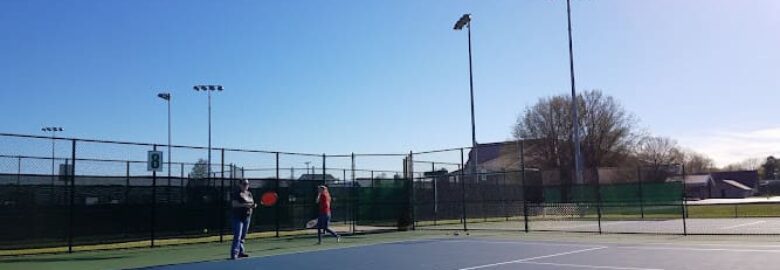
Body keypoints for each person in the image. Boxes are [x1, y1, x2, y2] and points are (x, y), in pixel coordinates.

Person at [230, 179, 256, 259]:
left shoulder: (249, 194)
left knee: (242, 237)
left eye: (247, 184)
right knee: (238, 235)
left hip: (247, 217)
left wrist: (253, 206)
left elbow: (251, 203)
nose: (246, 185)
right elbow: (234, 204)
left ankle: (240, 252)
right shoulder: (237, 193)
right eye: (244, 184)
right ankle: (234, 253)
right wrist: (245, 205)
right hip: (237, 217)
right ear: (240, 185)